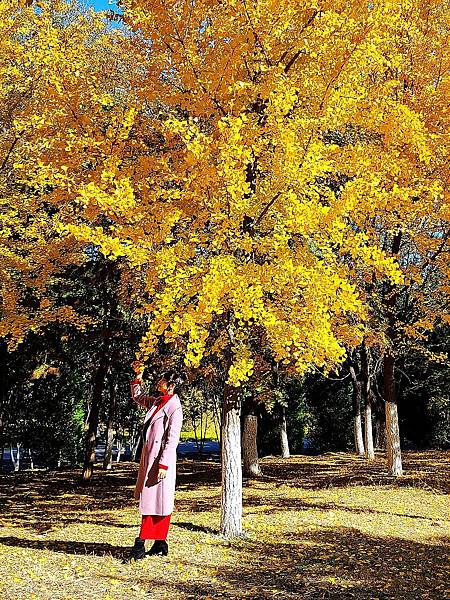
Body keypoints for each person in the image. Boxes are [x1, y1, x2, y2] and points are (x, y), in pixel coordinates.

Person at [127, 363, 184, 561]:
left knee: (154, 502)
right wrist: (137, 378)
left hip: (160, 462)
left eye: (162, 380)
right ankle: (160, 543)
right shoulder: (157, 402)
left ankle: (140, 544)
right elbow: (138, 397)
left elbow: (172, 439)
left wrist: (164, 464)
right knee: (156, 501)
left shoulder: (174, 409)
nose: (159, 382)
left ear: (171, 385)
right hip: (149, 458)